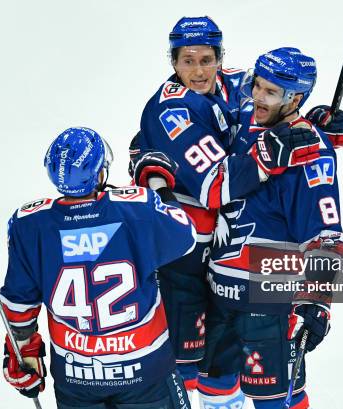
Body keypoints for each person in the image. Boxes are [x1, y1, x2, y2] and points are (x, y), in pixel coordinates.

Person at [129, 16, 322, 394]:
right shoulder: (171, 111)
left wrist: (312, 125)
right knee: (184, 365)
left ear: (220, 57)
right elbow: (217, 185)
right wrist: (274, 149)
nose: (198, 71)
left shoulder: (237, 82)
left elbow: (274, 104)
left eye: (206, 59)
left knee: (222, 363)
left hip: (225, 253)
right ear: (173, 62)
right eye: (187, 61)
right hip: (182, 257)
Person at [0, 127, 198, 409]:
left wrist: (21, 348)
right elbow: (185, 235)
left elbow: (20, 304)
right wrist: (159, 186)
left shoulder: (29, 224)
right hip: (145, 372)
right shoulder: (137, 209)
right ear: (100, 173)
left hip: (76, 379)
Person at [197, 48, 343, 409]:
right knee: (214, 390)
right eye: (257, 86)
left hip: (270, 303)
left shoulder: (311, 151)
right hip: (218, 295)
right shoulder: (240, 119)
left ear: (295, 97)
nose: (257, 98)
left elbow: (325, 238)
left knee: (276, 399)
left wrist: (316, 301)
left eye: (270, 92)